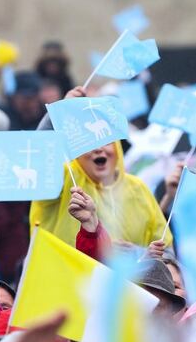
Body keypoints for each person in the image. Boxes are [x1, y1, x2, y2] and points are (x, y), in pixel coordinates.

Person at [32, 88, 172, 249]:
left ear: (117, 147)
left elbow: (164, 247)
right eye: (89, 143)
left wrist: (136, 255)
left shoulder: (138, 188)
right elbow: (40, 158)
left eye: (106, 142)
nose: (98, 149)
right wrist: (58, 113)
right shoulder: (64, 179)